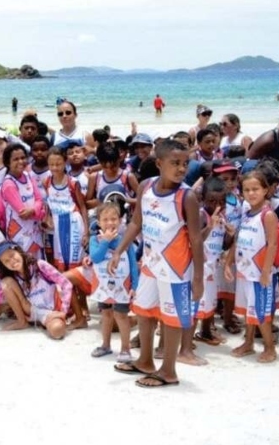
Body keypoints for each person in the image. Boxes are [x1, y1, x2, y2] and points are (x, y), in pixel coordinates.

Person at [108, 139, 204, 388]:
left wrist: (198, 279)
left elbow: (196, 239)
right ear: (159, 163)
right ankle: (145, 361)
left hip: (176, 270)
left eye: (185, 163)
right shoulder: (145, 187)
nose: (181, 168)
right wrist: (119, 250)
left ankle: (169, 370)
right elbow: (136, 222)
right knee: (143, 310)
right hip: (151, 264)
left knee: (171, 320)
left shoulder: (187, 197)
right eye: (175, 163)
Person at [228, 169, 279, 363]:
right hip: (245, 271)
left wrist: (266, 271)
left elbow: (272, 244)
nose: (251, 193)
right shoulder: (247, 213)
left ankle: (269, 347)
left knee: (261, 313)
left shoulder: (268, 215)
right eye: (247, 190)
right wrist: (229, 263)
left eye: (255, 189)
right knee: (249, 311)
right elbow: (239, 240)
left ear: (265, 190)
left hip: (260, 273)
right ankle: (248, 342)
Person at [88, 202, 137, 362]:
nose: (110, 223)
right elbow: (96, 257)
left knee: (121, 315)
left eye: (114, 219)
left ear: (120, 220)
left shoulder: (125, 241)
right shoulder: (95, 240)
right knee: (106, 314)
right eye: (105, 219)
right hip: (103, 286)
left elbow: (132, 264)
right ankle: (105, 345)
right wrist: (105, 241)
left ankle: (125, 349)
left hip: (122, 286)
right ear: (99, 221)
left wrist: (135, 285)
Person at [0, 241, 72, 338]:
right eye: (6, 261)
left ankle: (46, 322)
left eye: (12, 255)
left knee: (57, 331)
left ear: (18, 251)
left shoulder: (39, 265)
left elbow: (66, 284)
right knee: (5, 282)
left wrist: (63, 312)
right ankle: (22, 321)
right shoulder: (13, 277)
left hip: (50, 310)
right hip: (31, 311)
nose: (11, 261)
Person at [194, 177, 232, 347]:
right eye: (212, 201)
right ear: (203, 199)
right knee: (197, 304)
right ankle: (187, 339)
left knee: (210, 301)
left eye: (221, 201)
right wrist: (210, 226)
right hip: (200, 267)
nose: (217, 205)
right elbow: (195, 240)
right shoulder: (201, 215)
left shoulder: (223, 217)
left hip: (213, 267)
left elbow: (224, 244)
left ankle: (206, 331)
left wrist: (231, 234)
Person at [0, 144, 45, 260]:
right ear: (7, 162)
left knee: (38, 264)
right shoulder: (8, 184)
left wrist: (33, 210)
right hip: (18, 233)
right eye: (16, 159)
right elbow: (23, 213)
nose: (21, 161)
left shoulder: (28, 176)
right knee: (23, 263)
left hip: (34, 230)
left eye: (23, 158)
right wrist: (40, 212)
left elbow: (39, 199)